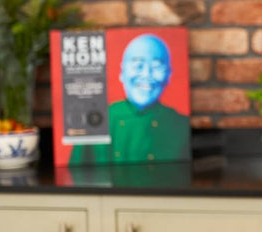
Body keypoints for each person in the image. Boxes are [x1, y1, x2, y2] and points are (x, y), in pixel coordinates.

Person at [69, 33, 190, 165]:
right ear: (122, 72)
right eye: (138, 65)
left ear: (169, 75)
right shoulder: (95, 120)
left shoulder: (181, 126)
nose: (146, 74)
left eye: (156, 67)